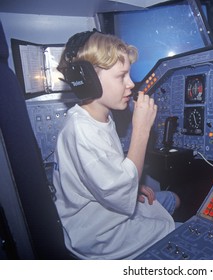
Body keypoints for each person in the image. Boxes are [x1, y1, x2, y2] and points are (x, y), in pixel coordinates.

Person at [52, 30, 179, 259]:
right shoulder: (82, 131)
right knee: (179, 232)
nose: (131, 84)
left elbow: (105, 175)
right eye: (122, 76)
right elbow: (120, 193)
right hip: (101, 237)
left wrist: (132, 186)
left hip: (107, 208)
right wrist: (141, 130)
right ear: (88, 80)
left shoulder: (98, 117)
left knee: (172, 198)